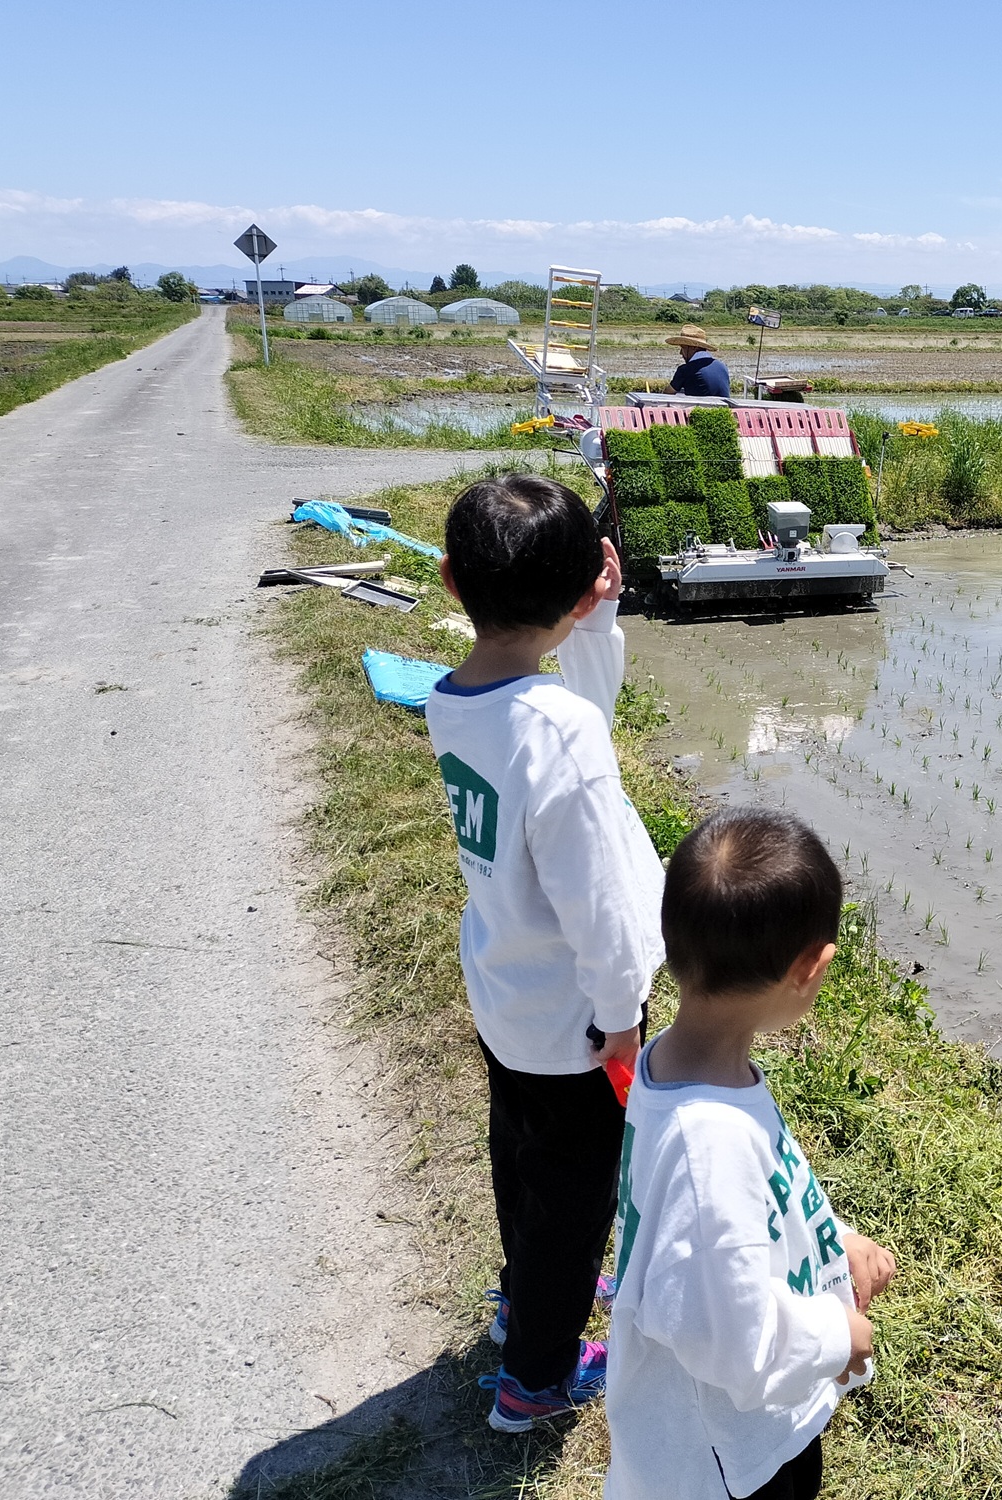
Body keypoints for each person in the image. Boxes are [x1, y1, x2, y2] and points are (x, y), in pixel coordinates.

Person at [425, 474, 667, 1432]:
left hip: (506, 995)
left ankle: (521, 1308)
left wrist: (594, 627)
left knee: (522, 1167)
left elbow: (576, 724)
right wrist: (622, 1016)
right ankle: (536, 1381)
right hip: (575, 1020)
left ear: (450, 581)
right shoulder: (555, 732)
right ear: (577, 590)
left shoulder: (464, 696)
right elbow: (600, 903)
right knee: (573, 1205)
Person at [603, 807, 897, 1500]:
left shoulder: (684, 1071)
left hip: (737, 1438)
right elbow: (726, 1337)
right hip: (725, 1459)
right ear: (811, 967)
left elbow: (754, 1212)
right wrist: (838, 1335)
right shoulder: (709, 1140)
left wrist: (835, 1242)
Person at [666, 323, 732, 398]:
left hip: (700, 409)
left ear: (694, 348)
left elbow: (668, 394)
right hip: (725, 409)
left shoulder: (685, 370)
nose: (680, 352)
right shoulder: (722, 366)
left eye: (683, 348)